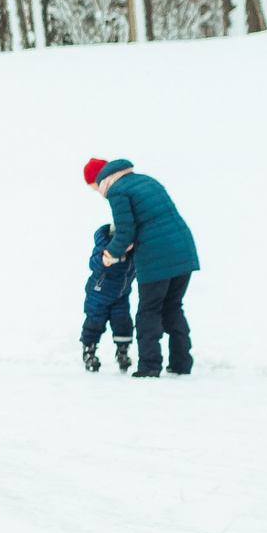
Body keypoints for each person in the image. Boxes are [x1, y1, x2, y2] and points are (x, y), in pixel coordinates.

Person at [86, 157, 199, 376]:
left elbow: (126, 230)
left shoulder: (117, 191)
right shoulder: (146, 180)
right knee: (173, 307)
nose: (98, 193)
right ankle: (181, 363)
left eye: (94, 188)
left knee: (149, 310)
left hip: (157, 257)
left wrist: (110, 254)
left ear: (100, 180)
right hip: (184, 250)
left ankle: (149, 366)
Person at [80, 219, 135, 373]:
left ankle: (122, 351)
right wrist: (106, 259)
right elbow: (93, 263)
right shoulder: (104, 248)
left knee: (123, 322)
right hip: (98, 293)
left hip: (121, 295)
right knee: (94, 321)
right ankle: (89, 351)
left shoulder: (133, 254)